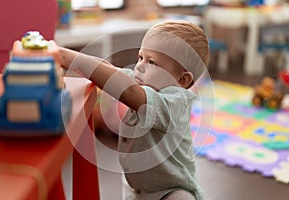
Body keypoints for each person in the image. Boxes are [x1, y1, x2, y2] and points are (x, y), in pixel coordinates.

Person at [58, 20, 210, 200]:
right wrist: (66, 56)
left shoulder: (175, 102)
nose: (139, 66)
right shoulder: (141, 82)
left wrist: (65, 57)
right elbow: (107, 68)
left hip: (172, 189)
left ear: (182, 80)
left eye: (152, 62)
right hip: (139, 188)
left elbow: (129, 91)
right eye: (140, 57)